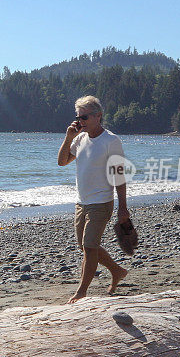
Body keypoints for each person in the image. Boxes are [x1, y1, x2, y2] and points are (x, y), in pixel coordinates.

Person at [57, 95, 130, 304]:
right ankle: (117, 271)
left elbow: (119, 175)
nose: (80, 121)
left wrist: (123, 208)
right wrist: (68, 137)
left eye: (84, 117)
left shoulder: (111, 141)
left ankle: (81, 292)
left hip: (101, 202)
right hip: (82, 202)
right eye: (78, 117)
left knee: (89, 247)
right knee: (86, 246)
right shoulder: (79, 139)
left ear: (98, 116)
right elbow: (62, 162)